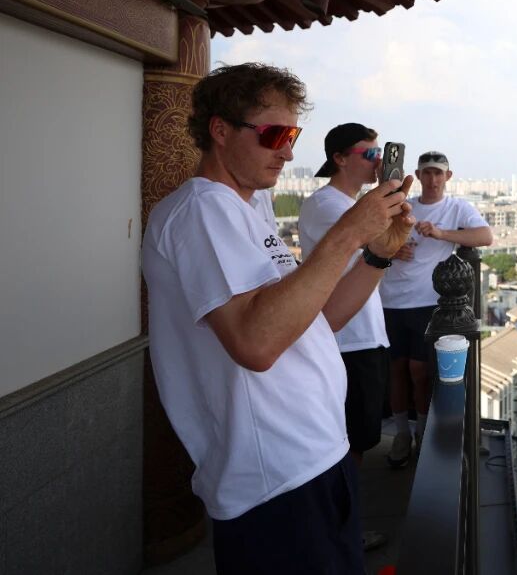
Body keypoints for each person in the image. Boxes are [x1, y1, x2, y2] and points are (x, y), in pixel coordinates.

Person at [142, 63, 414, 574]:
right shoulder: (201, 211)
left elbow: (317, 318)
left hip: (314, 452)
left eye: (293, 135)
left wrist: (376, 255)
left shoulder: (250, 208)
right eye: (274, 134)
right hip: (274, 475)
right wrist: (347, 235)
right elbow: (255, 343)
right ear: (220, 130)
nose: (288, 151)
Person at [297, 122, 393, 553]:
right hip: (346, 339)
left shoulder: (349, 204)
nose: (376, 161)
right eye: (368, 154)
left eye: (379, 153)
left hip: (362, 335)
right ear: (339, 158)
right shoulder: (325, 204)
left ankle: (342, 530)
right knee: (348, 446)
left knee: (357, 440)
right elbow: (382, 240)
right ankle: (344, 534)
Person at [379, 150, 493, 467]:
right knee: (396, 369)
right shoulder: (405, 206)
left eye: (438, 174)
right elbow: (374, 239)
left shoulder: (457, 207)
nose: (432, 179)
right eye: (427, 173)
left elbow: (485, 236)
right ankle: (403, 434)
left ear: (447, 177)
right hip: (390, 298)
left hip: (426, 300)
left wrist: (442, 234)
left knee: (419, 371)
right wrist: (391, 249)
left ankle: (422, 434)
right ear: (418, 175)